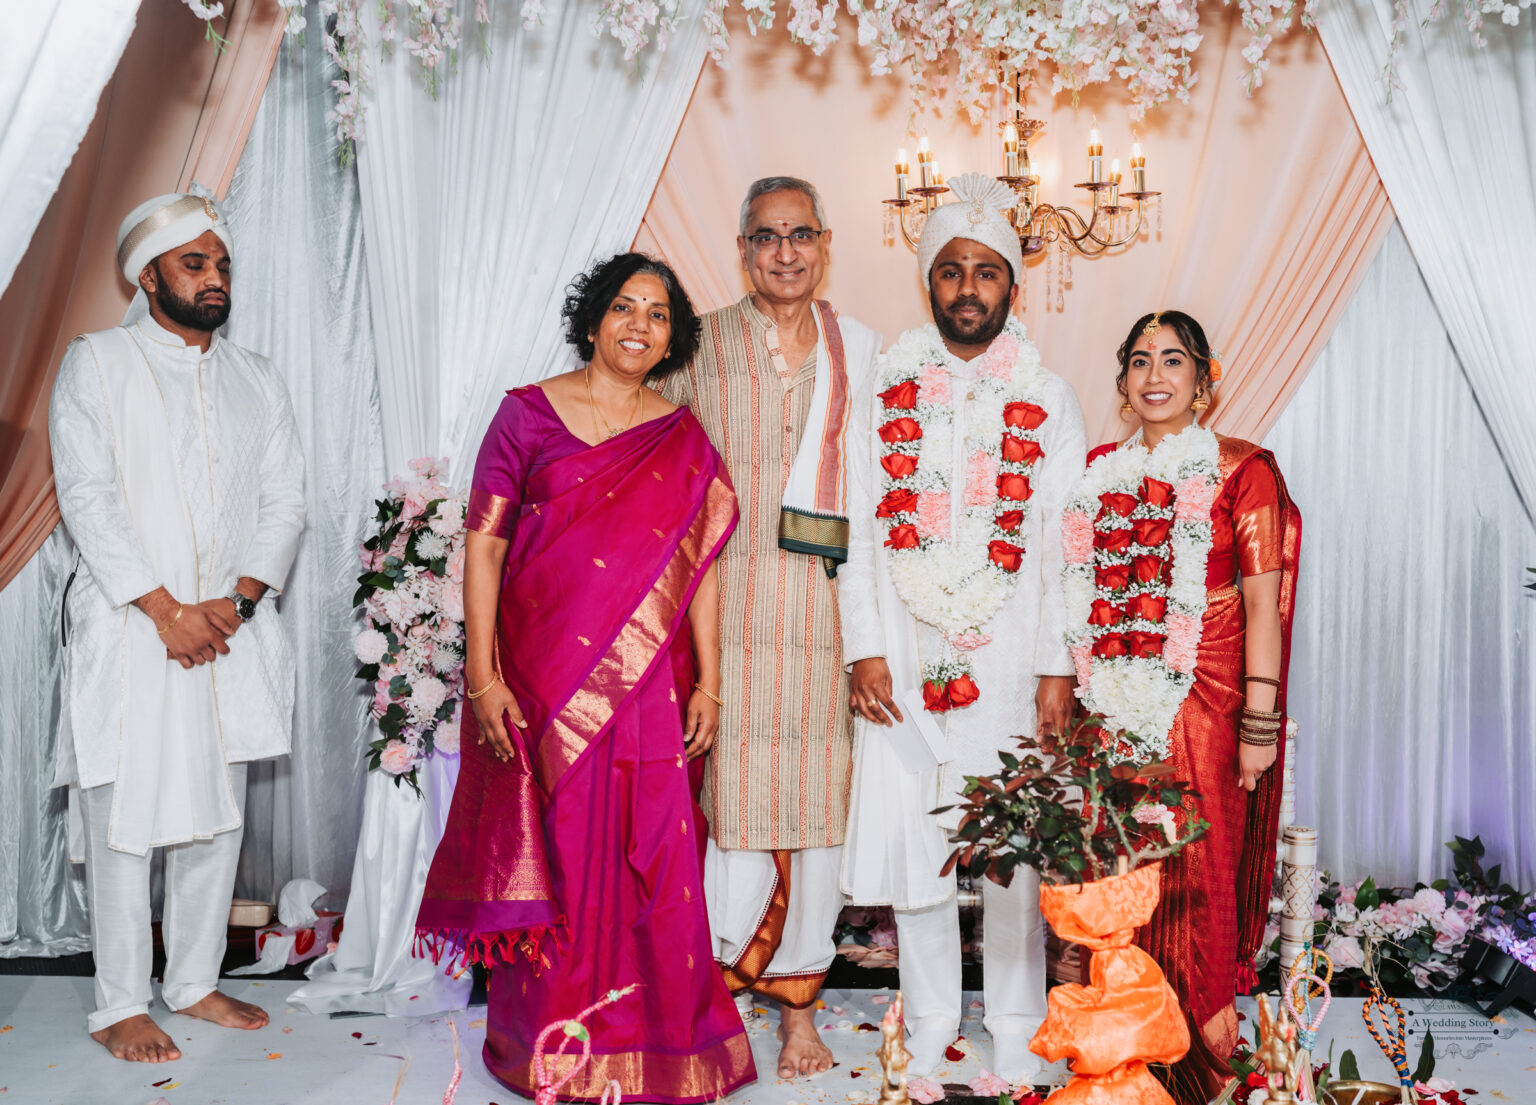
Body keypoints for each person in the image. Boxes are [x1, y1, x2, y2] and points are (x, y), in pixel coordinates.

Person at [415, 253, 754, 1102]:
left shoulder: (681, 437)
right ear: (594, 319)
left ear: (672, 339)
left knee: (656, 855)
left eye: (659, 315)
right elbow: (485, 546)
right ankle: (551, 1045)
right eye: (624, 307)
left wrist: (711, 681)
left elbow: (702, 567)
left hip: (652, 682)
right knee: (563, 854)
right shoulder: (526, 415)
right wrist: (484, 676)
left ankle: (661, 1045)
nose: (640, 325)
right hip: (542, 678)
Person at [837, 173, 1087, 1083]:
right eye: (951, 270)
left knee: (1014, 842)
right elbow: (860, 530)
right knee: (921, 843)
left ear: (1012, 284)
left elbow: (1066, 544)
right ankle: (934, 1014)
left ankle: (1018, 1017)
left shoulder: (1049, 396)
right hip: (908, 654)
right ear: (927, 282)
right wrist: (866, 647)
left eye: (987, 271)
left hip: (1014, 657)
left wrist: (1057, 666)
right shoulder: (883, 391)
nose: (968, 288)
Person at [48, 191, 306, 1063]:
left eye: (221, 263)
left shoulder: (257, 377)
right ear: (148, 276)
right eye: (194, 263)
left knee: (217, 811)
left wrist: (235, 603)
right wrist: (164, 610)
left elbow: (285, 500)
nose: (213, 277)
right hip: (132, 627)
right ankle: (120, 1000)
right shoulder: (98, 361)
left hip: (229, 629)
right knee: (122, 812)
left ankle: (193, 979)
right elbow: (86, 495)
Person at [657, 176, 881, 1077]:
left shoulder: (859, 348)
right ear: (743, 248)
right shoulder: (696, 344)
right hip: (728, 616)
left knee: (821, 816)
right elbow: (641, 448)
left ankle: (798, 1011)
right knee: (735, 811)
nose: (785, 252)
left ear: (825, 243)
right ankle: (713, 1002)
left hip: (830, 618)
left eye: (800, 235)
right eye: (766, 236)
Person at [1067, 310, 1300, 1103]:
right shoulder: (1101, 471)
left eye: (1173, 360)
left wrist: (1260, 724)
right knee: (1120, 870)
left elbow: (1263, 605)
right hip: (1114, 703)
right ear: (1123, 381)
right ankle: (1125, 1052)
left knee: (1199, 871)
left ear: (1205, 380)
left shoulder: (1243, 471)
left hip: (1210, 701)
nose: (1155, 375)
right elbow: (1084, 594)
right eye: (1140, 360)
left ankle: (1200, 1064)